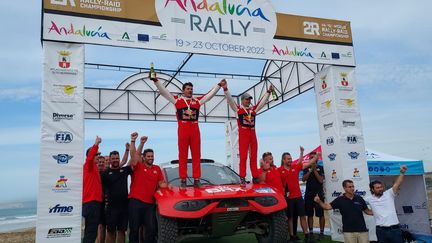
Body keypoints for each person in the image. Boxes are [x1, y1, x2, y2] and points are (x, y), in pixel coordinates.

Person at [152, 76, 225, 188]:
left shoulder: (197, 101)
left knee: (196, 155)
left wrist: (218, 86)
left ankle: (196, 179)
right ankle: (183, 180)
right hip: (183, 129)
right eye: (188, 89)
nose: (190, 90)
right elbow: (164, 92)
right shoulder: (177, 100)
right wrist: (156, 81)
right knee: (183, 155)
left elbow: (209, 95)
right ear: (183, 90)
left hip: (195, 130)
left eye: (191, 89)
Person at [222, 80, 273, 185]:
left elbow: (261, 102)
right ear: (242, 100)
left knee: (253, 156)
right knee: (243, 157)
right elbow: (230, 100)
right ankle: (242, 177)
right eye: (246, 99)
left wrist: (268, 92)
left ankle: (255, 177)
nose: (248, 101)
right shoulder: (238, 110)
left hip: (253, 135)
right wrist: (226, 89)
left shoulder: (253, 110)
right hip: (244, 135)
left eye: (249, 99)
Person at [128, 132, 169, 243]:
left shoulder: (157, 168)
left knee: (151, 229)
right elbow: (134, 155)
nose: (151, 158)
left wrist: (171, 187)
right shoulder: (138, 166)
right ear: (144, 157)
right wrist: (136, 142)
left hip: (149, 204)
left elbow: (161, 184)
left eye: (152, 156)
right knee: (134, 229)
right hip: (135, 202)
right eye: (148, 156)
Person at [279, 147, 318, 243]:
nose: (290, 160)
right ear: (283, 160)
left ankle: (307, 235)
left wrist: (316, 155)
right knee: (290, 218)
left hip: (298, 197)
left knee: (302, 217)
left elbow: (308, 163)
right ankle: (292, 237)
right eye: (288, 159)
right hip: (288, 198)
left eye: (291, 158)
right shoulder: (279, 170)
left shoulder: (295, 167)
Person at [365, 165, 408, 243]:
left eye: (381, 187)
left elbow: (397, 184)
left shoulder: (389, 194)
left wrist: (402, 173)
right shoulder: (368, 199)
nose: (380, 189)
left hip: (395, 230)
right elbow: (363, 208)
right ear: (372, 189)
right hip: (380, 231)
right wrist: (374, 212)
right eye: (377, 188)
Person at [101, 144, 132, 243]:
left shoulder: (124, 170)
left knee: (122, 231)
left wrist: (127, 150)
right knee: (110, 232)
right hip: (111, 208)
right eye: (113, 158)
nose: (115, 160)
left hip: (124, 207)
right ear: (109, 160)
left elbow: (130, 160)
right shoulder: (105, 173)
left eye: (117, 158)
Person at [82, 136, 103, 243]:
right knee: (91, 232)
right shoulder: (88, 166)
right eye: (96, 154)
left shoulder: (94, 167)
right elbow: (90, 158)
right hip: (91, 203)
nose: (98, 156)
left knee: (91, 232)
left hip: (94, 203)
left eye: (99, 155)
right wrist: (96, 144)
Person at [302, 151, 325, 241]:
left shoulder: (321, 168)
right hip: (308, 194)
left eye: (313, 157)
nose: (312, 159)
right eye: (310, 157)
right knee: (310, 214)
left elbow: (320, 180)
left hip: (318, 194)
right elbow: (303, 179)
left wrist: (315, 170)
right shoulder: (306, 168)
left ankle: (322, 233)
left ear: (317, 158)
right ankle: (311, 233)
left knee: (320, 214)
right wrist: (310, 170)